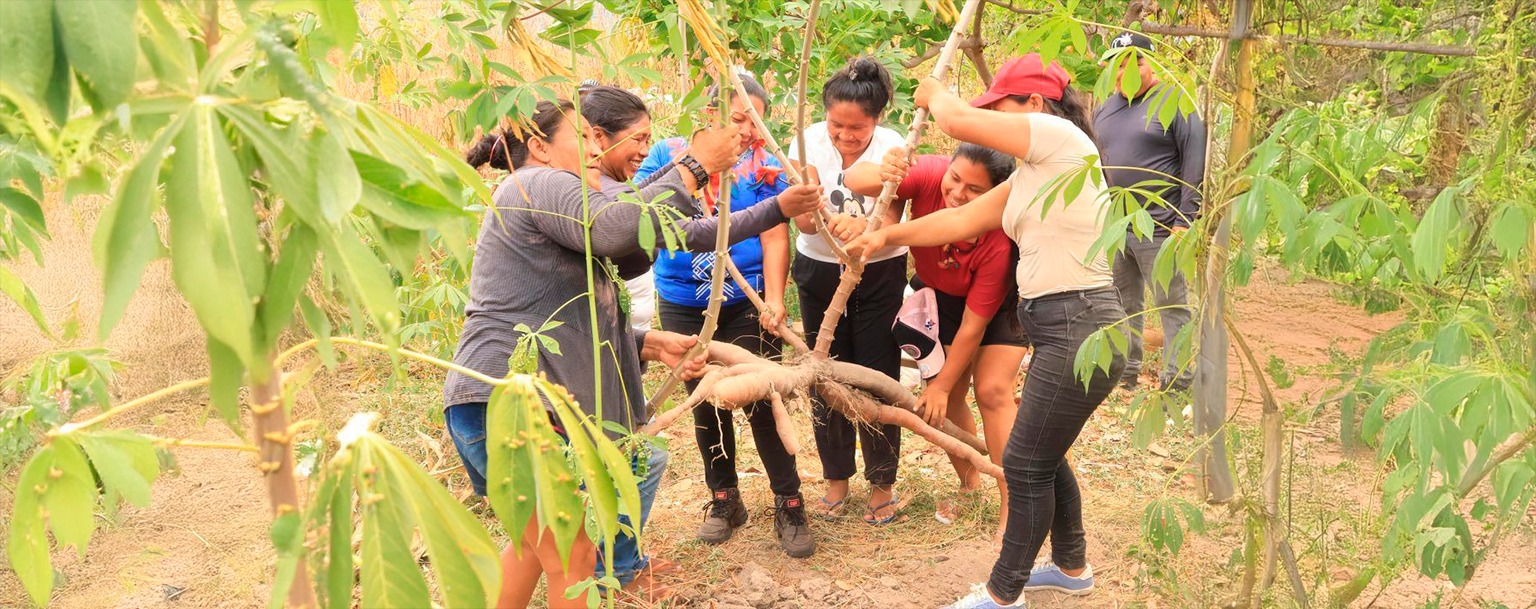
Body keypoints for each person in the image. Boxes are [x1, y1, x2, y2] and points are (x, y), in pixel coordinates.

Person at [844, 54, 1127, 608]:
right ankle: (1070, 567)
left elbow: (954, 121)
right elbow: (957, 221)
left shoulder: (1065, 142)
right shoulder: (1036, 175)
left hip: (1080, 323)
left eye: (1001, 109)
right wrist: (884, 237)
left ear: (1035, 107)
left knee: (1023, 462)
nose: (994, 123)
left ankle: (1002, 594)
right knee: (1046, 452)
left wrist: (935, 92)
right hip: (1061, 328)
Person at [443, 99, 735, 609]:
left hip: (494, 400)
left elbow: (615, 238)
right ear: (538, 147)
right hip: (512, 404)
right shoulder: (538, 181)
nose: (597, 147)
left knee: (536, 550)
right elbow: (618, 227)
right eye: (584, 137)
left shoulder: (544, 195)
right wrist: (694, 166)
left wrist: (645, 342)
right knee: (575, 560)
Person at [634, 75, 823, 557]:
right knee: (705, 399)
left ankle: (790, 500)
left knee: (763, 397)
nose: (743, 132)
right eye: (735, 119)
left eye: (753, 123)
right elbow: (634, 214)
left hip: (744, 302)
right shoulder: (666, 156)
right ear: (707, 116)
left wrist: (775, 298)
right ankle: (724, 499)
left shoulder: (764, 167)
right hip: (681, 299)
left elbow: (774, 233)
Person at [841, 143, 1027, 539]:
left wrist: (942, 383)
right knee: (939, 403)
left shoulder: (997, 241)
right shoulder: (930, 173)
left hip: (996, 310)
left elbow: (974, 328)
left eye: (974, 190)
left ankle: (1013, 500)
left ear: (995, 195)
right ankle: (970, 484)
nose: (957, 193)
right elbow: (854, 178)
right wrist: (885, 170)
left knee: (993, 392)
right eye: (955, 178)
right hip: (937, 301)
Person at [788, 56, 909, 525]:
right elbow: (801, 219)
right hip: (818, 271)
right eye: (836, 125)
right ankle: (836, 477)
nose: (844, 137)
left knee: (879, 372)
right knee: (826, 372)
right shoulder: (806, 141)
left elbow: (893, 218)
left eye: (856, 129)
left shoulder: (894, 146)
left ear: (877, 120)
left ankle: (882, 483)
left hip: (880, 274)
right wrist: (822, 217)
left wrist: (864, 225)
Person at [1095, 32, 1206, 393]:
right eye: (1116, 64)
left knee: (1171, 304)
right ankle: (1125, 372)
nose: (1123, 70)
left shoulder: (1176, 102)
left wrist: (1185, 219)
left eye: (1132, 61)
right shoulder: (1105, 108)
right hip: (1117, 225)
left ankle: (1177, 380)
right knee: (1123, 303)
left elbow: (1194, 163)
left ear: (1150, 64)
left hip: (1161, 224)